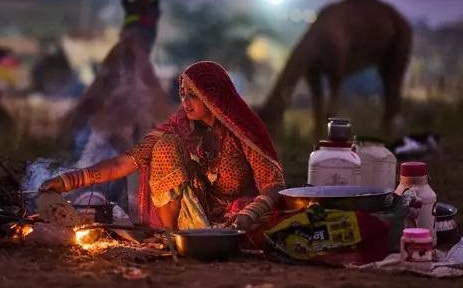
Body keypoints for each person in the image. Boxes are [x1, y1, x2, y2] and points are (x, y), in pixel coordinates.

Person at [40, 61, 285, 232]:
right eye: (183, 94)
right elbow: (125, 162)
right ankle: (172, 237)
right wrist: (68, 181)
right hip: (193, 223)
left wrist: (249, 215)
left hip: (241, 222)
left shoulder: (243, 130)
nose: (185, 102)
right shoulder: (179, 126)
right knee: (164, 146)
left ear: (213, 96)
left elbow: (273, 186)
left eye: (193, 95)